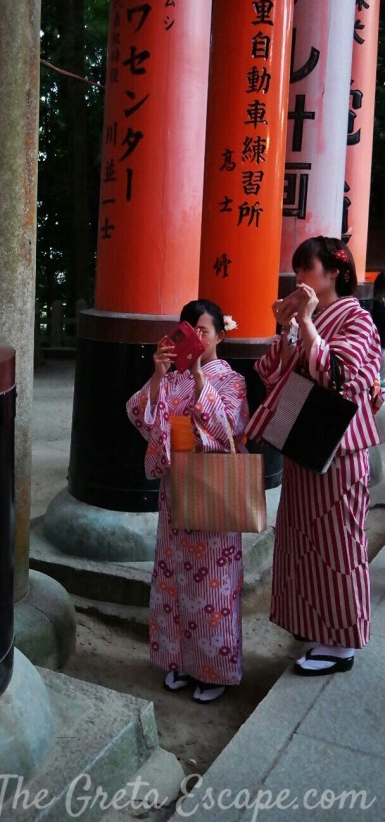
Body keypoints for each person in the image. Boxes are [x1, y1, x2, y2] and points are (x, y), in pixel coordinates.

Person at [246, 236, 382, 676]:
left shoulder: (358, 321)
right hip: (303, 444)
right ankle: (314, 625)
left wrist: (305, 322)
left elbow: (337, 378)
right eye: (298, 267)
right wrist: (287, 328)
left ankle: (341, 642)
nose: (300, 276)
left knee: (339, 541)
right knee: (303, 539)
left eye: (308, 267)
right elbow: (270, 372)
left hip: (339, 451)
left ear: (336, 273)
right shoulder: (313, 317)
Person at [127, 300, 248, 703]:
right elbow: (140, 415)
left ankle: (214, 670)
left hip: (211, 487)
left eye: (204, 331)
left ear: (220, 336)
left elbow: (230, 426)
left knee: (213, 584)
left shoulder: (230, 380)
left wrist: (198, 378)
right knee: (174, 579)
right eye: (189, 332)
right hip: (176, 490)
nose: (196, 339)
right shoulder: (172, 377)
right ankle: (178, 660)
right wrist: (159, 377)